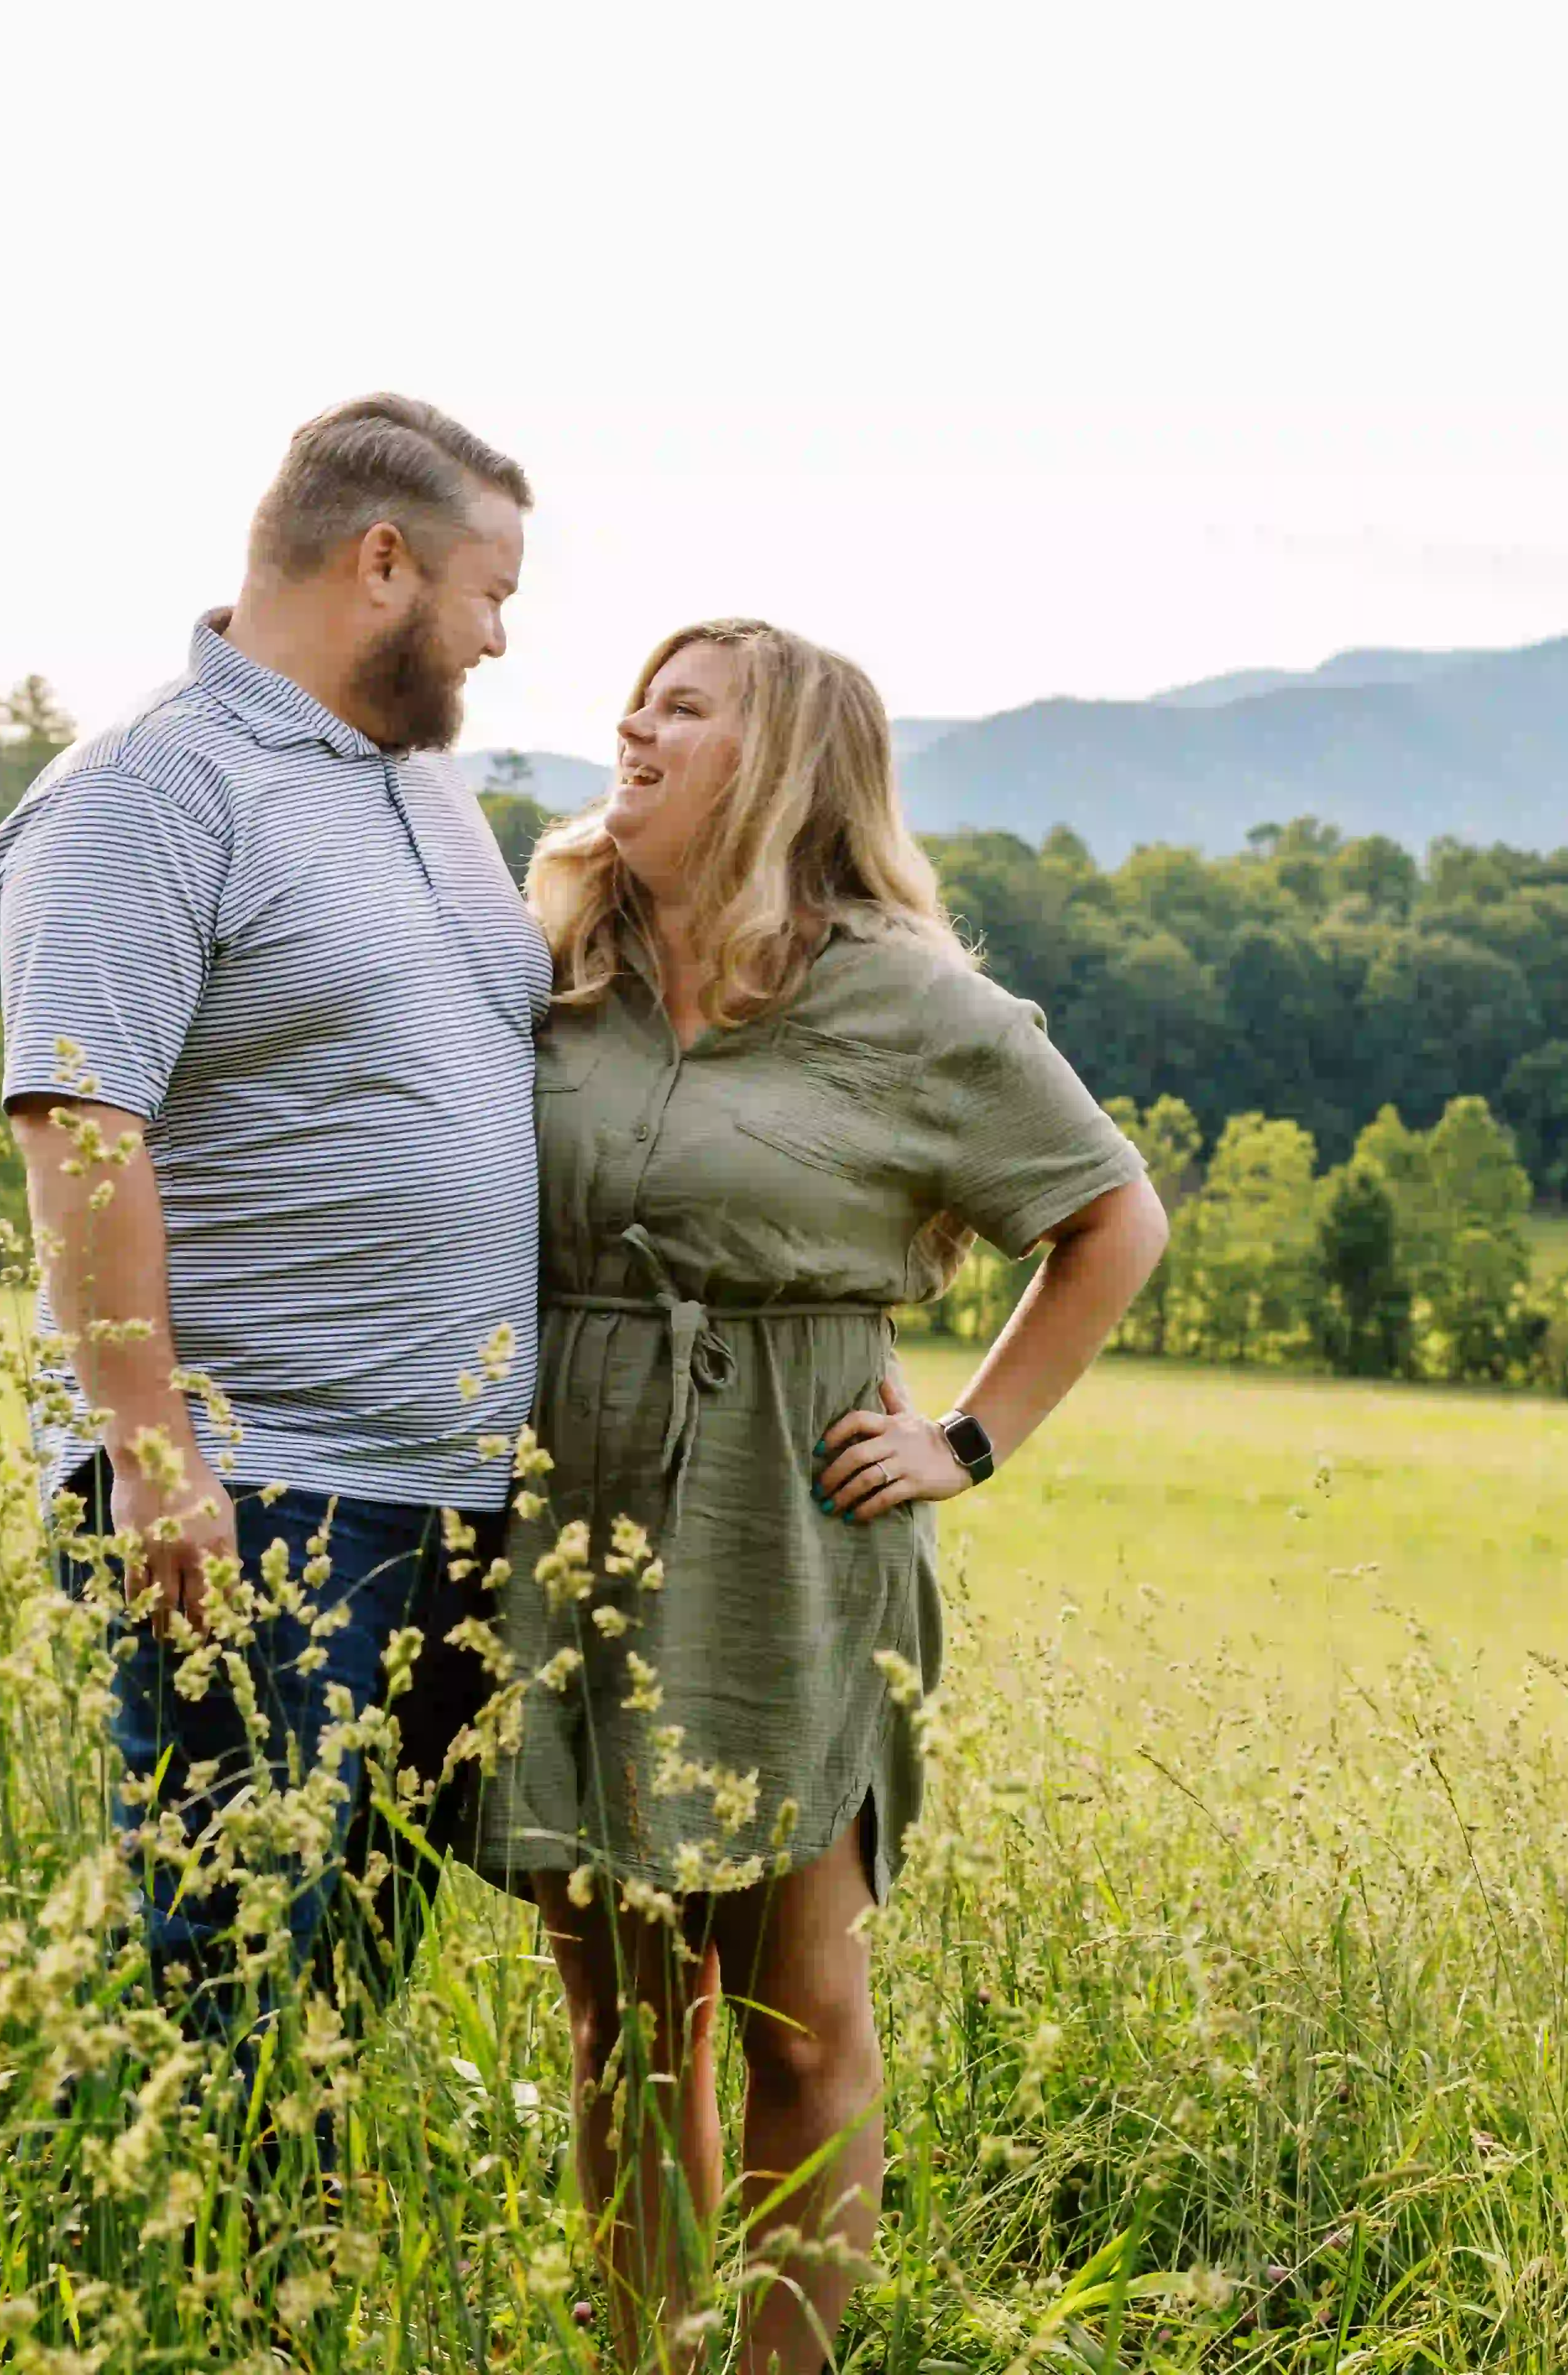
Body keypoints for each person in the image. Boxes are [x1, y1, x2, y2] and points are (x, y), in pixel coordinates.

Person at [466, 620, 1169, 2371]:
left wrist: (971, 1440)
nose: (632, 726)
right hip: (574, 1508)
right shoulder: (561, 950)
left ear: (778, 763)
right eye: (637, 698)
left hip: (791, 1519)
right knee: (625, 2029)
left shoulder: (907, 995)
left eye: (681, 708)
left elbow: (1112, 1221)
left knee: (790, 2018)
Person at [0, 394, 543, 2087]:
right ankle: (180, 2308)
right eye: (487, 594)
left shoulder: (426, 793)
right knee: (227, 1964)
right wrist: (152, 1456)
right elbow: (81, 1126)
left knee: (350, 1971)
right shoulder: (148, 791)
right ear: (384, 562)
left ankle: (286, 2298)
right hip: (261, 1485)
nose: (500, 640)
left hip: (448, 1486)